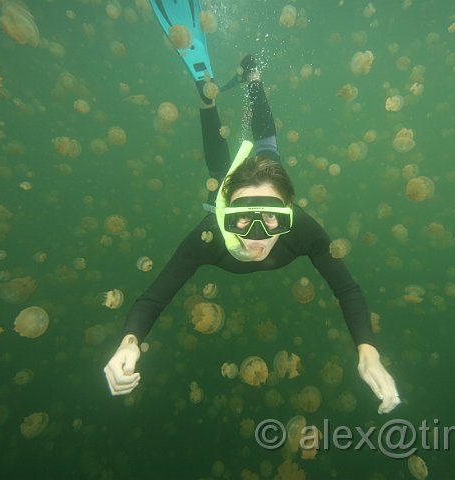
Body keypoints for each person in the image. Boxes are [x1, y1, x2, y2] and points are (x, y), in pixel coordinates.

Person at [104, 0, 400, 414]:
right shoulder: (210, 236)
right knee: (223, 166)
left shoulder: (303, 230)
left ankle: (251, 78)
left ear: (290, 214)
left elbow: (346, 289)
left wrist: (367, 351)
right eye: (241, 217)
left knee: (265, 142)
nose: (258, 235)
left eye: (274, 218)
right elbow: (153, 299)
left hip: (265, 171)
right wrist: (129, 342)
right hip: (233, 183)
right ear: (222, 212)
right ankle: (207, 95)